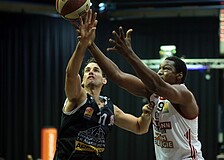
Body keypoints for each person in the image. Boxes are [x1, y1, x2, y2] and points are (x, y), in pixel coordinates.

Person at [87, 12, 205, 160]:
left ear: (179, 75)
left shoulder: (184, 94)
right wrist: (90, 45)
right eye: (159, 68)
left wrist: (129, 54)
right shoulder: (154, 94)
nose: (160, 72)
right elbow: (118, 76)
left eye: (166, 69)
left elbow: (157, 85)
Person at [54, 9, 153, 160]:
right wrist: (83, 44)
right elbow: (71, 75)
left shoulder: (109, 107)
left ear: (104, 80)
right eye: (87, 71)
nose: (91, 72)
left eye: (96, 70)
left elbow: (140, 127)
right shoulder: (78, 97)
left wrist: (146, 115)